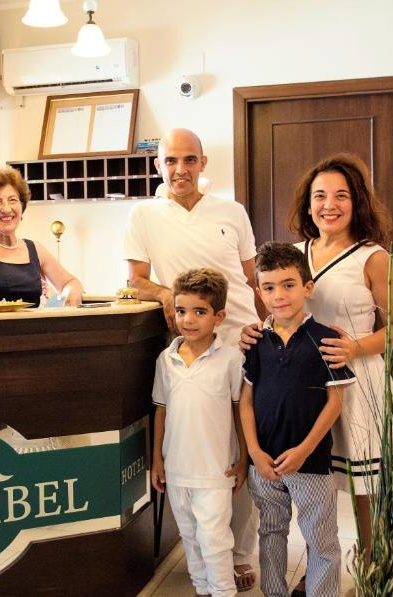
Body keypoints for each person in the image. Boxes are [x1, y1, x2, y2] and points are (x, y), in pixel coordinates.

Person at [240, 153, 393, 593]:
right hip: (302, 385)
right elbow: (277, 313)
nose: (328, 205)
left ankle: (374, 573)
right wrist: (252, 333)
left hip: (357, 381)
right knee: (314, 484)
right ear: (307, 203)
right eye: (320, 196)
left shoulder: (372, 258)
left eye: (340, 195)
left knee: (362, 488)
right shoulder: (293, 256)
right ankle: (319, 575)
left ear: (358, 202)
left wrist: (354, 346)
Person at [124, 127, 261, 591]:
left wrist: (273, 331)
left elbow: (252, 277)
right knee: (205, 447)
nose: (179, 169)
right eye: (170, 161)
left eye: (189, 160)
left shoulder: (232, 211)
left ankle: (239, 554)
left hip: (242, 340)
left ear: (203, 164)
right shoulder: (144, 214)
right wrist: (169, 295)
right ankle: (207, 560)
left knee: (241, 444)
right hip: (190, 342)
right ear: (158, 165)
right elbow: (136, 281)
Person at [240, 242, 354, 597]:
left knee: (321, 540)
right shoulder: (256, 341)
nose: (279, 295)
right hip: (265, 464)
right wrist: (254, 453)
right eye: (269, 287)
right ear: (259, 291)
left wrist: (305, 449)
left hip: (310, 462)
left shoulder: (326, 339)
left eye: (288, 285)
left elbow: (335, 401)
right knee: (271, 533)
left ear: (307, 287)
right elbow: (246, 401)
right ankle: (273, 592)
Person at [151, 268, 247, 597]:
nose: (188, 320)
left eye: (199, 312)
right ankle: (202, 589)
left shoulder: (232, 360)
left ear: (218, 316)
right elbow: (161, 410)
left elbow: (239, 412)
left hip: (215, 470)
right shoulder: (166, 360)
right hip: (177, 470)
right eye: (181, 311)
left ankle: (223, 591)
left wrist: (244, 460)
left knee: (215, 539)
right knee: (190, 537)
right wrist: (157, 461)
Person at [0, 167, 83, 307]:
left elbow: (70, 283)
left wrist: (71, 295)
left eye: (12, 200)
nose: (6, 209)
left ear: (21, 205)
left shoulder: (35, 248)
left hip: (37, 328)